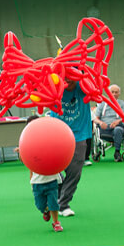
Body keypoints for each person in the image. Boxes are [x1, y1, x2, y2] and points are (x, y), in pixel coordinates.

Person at [50, 78, 93, 217]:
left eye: (71, 77)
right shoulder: (55, 86)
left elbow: (95, 85)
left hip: (79, 134)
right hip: (57, 131)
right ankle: (59, 189)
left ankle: (63, 204)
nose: (68, 80)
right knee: (54, 168)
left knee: (75, 171)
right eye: (65, 77)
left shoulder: (83, 86)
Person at [23, 116, 63, 232]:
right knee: (40, 205)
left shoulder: (49, 139)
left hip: (51, 180)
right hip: (37, 182)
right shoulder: (29, 143)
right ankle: (45, 210)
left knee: (53, 203)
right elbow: (29, 165)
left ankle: (56, 222)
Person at [93, 84, 124, 162]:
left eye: (116, 92)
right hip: (104, 127)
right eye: (112, 92)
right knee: (98, 128)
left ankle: (117, 152)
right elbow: (95, 118)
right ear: (108, 93)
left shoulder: (121, 103)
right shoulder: (102, 103)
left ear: (119, 93)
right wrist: (101, 123)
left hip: (117, 127)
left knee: (118, 130)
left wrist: (118, 121)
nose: (114, 94)